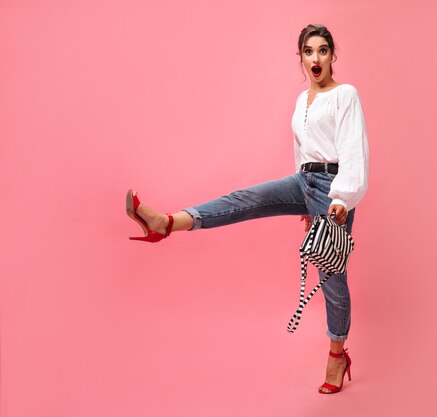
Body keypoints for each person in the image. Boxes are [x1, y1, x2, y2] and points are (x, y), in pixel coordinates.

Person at [125, 24, 369, 394]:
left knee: (332, 277)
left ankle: (337, 354)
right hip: (303, 181)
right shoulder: (303, 99)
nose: (315, 58)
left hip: (334, 189)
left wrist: (339, 200)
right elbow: (304, 151)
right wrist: (304, 204)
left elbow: (353, 151)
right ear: (300, 57)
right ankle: (166, 222)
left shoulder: (345, 95)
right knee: (246, 198)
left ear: (332, 55)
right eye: (308, 51)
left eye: (322, 50)